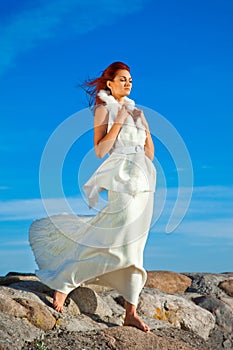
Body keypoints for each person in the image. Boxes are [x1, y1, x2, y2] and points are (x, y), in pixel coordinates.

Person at [29, 61, 156, 333]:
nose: (128, 83)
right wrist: (118, 122)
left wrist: (143, 135)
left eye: (130, 79)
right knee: (116, 238)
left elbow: (149, 152)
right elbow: (100, 151)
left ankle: (130, 312)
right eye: (122, 79)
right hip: (121, 180)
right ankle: (64, 281)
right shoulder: (103, 110)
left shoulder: (139, 112)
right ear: (109, 83)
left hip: (144, 181)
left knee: (135, 246)